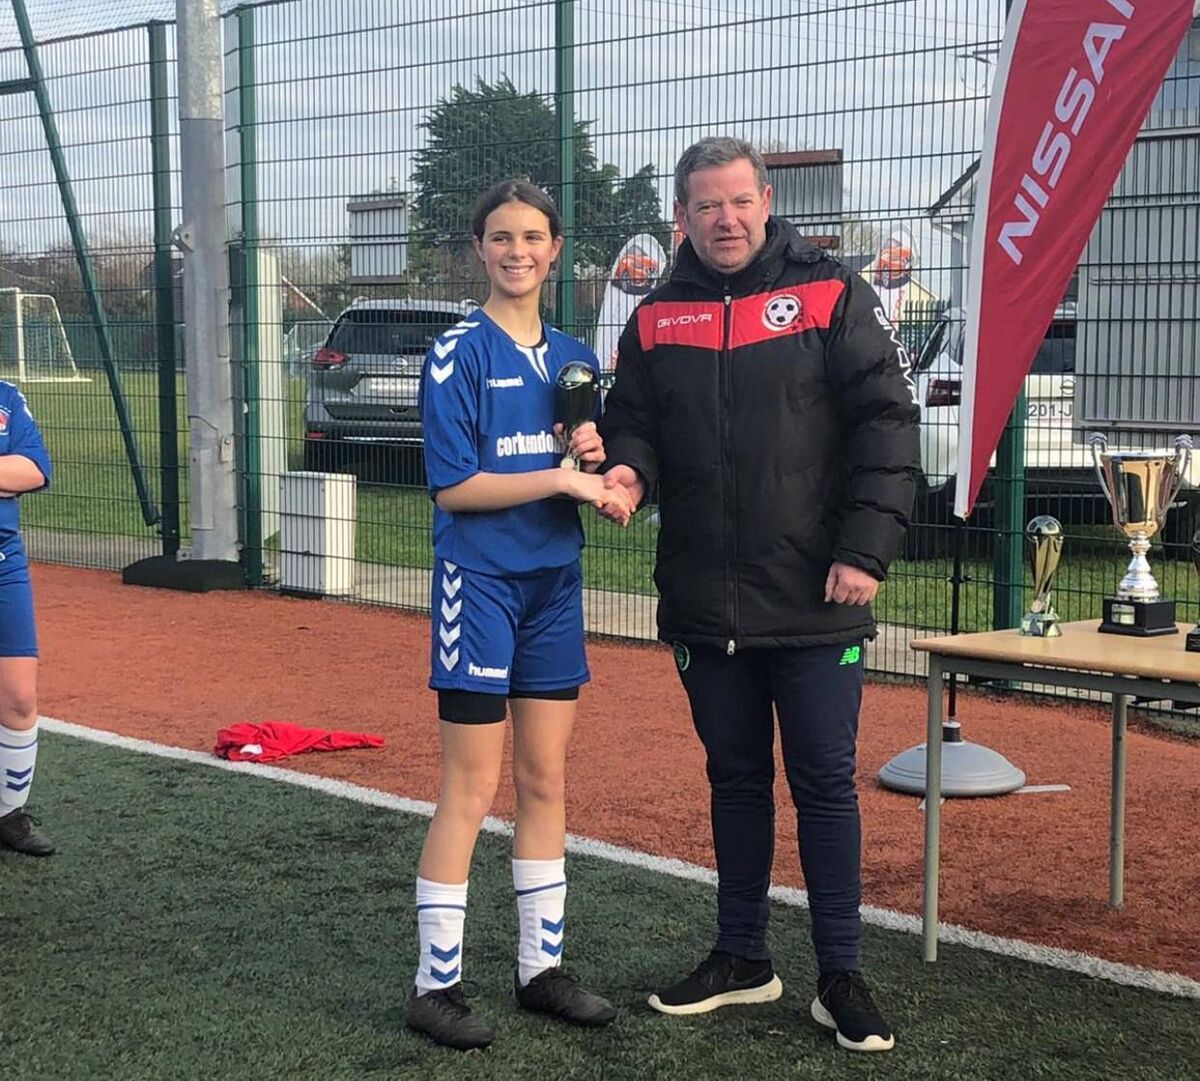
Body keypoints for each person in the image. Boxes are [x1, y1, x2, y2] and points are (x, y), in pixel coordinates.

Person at [599, 137, 920, 1053]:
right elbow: (636, 424)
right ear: (682, 217)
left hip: (819, 595)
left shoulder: (830, 291)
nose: (726, 220)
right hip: (707, 598)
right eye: (706, 206)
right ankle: (742, 956)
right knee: (734, 780)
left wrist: (866, 548)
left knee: (823, 783)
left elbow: (887, 423)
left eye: (739, 202)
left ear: (766, 201)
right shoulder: (657, 316)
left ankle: (841, 975)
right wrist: (626, 473)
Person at [405, 180, 634, 1051]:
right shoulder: (454, 351)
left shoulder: (574, 355)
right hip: (481, 586)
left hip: (554, 587)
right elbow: (457, 488)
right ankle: (436, 985)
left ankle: (540, 970)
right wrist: (563, 479)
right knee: (471, 785)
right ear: (479, 249)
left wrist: (599, 464)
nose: (518, 251)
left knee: (545, 779)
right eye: (501, 236)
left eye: (533, 236)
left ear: (554, 248)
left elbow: (587, 456)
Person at [0, 379, 55, 857]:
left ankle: (8, 814)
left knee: (19, 698)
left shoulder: (6, 397)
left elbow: (34, 469)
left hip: (3, 564)